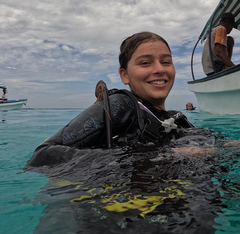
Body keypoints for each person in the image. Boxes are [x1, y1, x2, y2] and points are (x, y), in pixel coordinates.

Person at [26, 32, 196, 167]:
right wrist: (160, 155)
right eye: (145, 63)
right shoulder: (121, 105)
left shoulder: (176, 119)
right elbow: (43, 154)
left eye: (166, 62)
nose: (159, 69)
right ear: (124, 75)